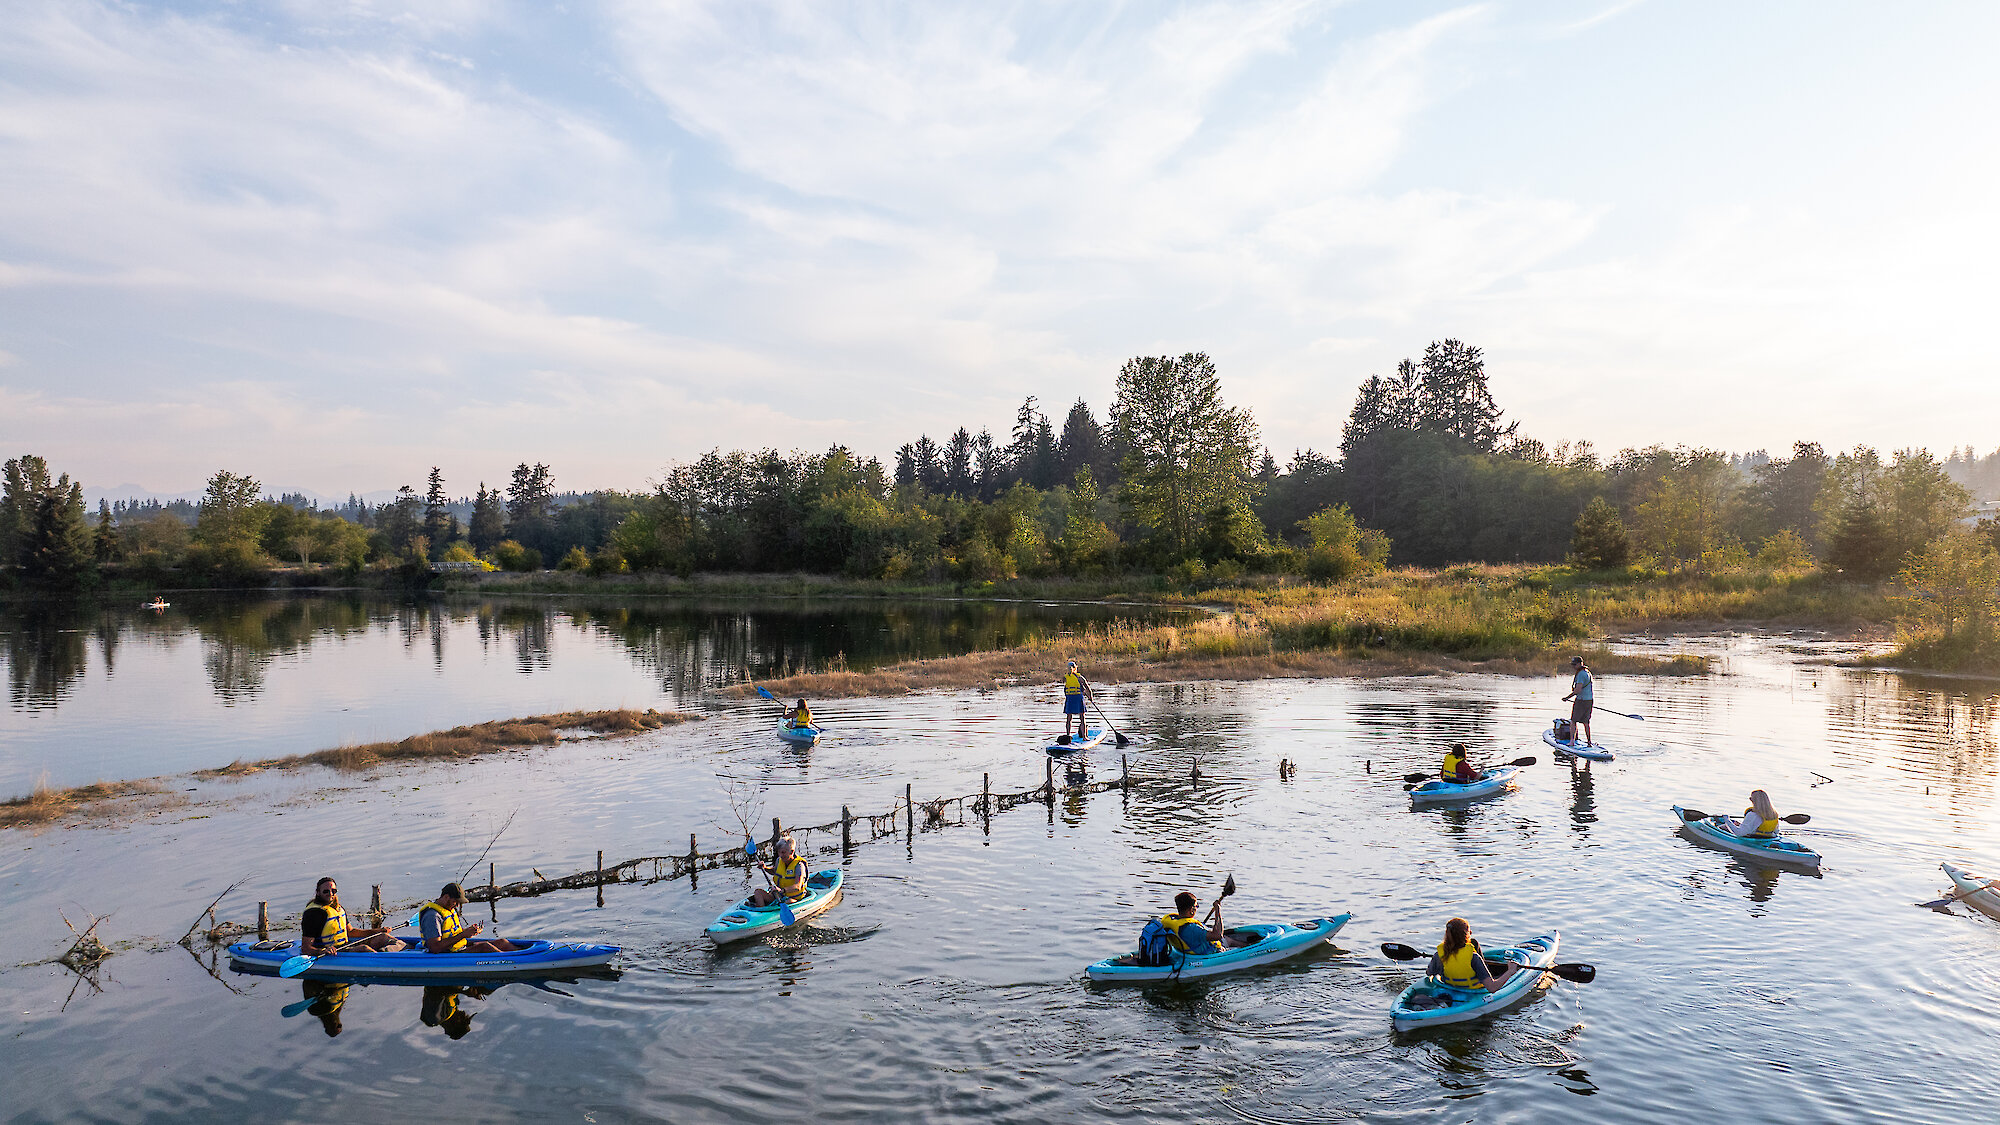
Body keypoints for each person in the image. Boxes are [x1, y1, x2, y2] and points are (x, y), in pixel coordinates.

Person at [301, 876, 406, 956]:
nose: (330, 893)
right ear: (318, 892)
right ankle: (387, 960)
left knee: (383, 937)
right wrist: (322, 951)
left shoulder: (337, 908)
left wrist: (377, 931)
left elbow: (351, 932)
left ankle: (409, 949)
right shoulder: (314, 914)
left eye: (333, 891)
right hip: (333, 952)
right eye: (326, 891)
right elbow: (306, 948)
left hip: (346, 945)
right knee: (363, 949)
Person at [419, 883, 523, 954]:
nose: (457, 906)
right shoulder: (432, 916)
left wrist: (469, 932)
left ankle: (522, 954)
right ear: (446, 897)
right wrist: (463, 935)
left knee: (502, 942)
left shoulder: (448, 909)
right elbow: (435, 948)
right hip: (446, 954)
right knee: (484, 947)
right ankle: (510, 962)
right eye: (456, 902)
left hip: (458, 948)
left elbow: (452, 935)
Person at [1426, 917, 1516, 993]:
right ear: (1466, 935)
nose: (1471, 933)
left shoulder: (1439, 955)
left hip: (1451, 989)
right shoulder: (1474, 957)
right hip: (1473, 992)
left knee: (1474, 943)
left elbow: (1429, 974)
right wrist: (1510, 971)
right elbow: (1492, 988)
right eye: (1469, 931)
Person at [748, 832, 809, 908]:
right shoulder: (779, 860)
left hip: (794, 897)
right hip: (779, 895)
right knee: (758, 893)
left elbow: (797, 886)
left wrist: (782, 890)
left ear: (792, 852)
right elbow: (774, 871)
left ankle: (774, 911)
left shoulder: (799, 865)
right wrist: (765, 867)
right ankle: (761, 912)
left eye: (783, 852)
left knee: (788, 902)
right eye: (779, 852)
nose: (780, 855)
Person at [1157, 890, 1225, 956]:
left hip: (1187, 949)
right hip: (1205, 952)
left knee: (1228, 938)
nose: (1197, 908)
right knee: (1229, 940)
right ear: (1191, 910)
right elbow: (1218, 935)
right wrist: (1218, 911)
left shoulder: (1173, 921)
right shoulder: (1191, 928)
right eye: (1196, 906)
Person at [1560, 655, 1595, 748]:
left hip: (1581, 701)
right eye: (1573, 665)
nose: (1573, 667)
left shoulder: (1581, 674)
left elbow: (1578, 690)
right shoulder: (1587, 672)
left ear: (1580, 664)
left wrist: (1567, 698)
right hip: (1589, 700)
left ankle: (1572, 741)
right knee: (1586, 722)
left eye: (1575, 665)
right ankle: (1589, 742)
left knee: (1573, 721)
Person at [1061, 660, 1090, 739]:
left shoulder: (1074, 678)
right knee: (1075, 717)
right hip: (1074, 698)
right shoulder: (1073, 678)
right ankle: (1076, 736)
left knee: (1075, 717)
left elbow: (1087, 687)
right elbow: (1088, 688)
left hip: (1074, 698)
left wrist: (1089, 695)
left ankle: (1076, 735)